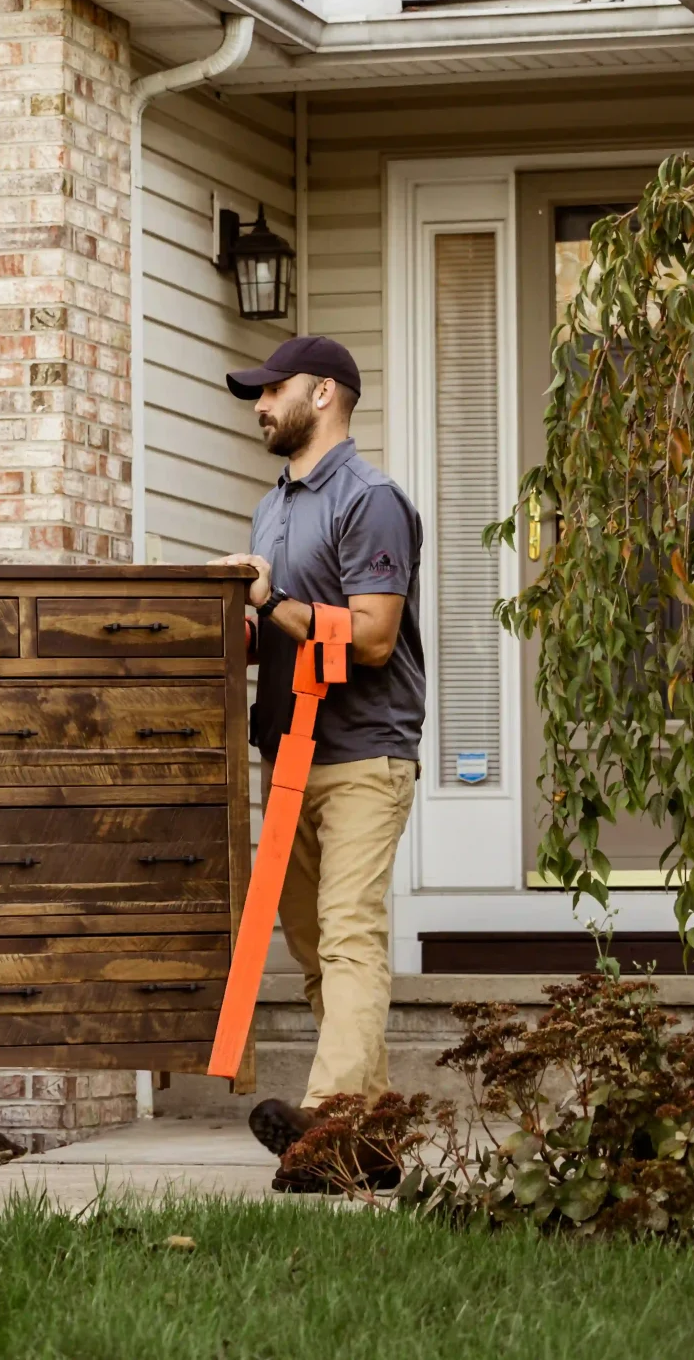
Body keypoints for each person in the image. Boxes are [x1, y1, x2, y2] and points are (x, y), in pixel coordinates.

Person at [213, 335, 426, 1189]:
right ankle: (369, 1143)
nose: (260, 406)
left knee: (347, 935)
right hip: (288, 751)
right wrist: (235, 621)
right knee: (311, 950)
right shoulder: (273, 506)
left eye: (272, 391)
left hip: (364, 752)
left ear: (325, 393)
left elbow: (372, 638)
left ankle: (329, 1122)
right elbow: (282, 625)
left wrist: (272, 600)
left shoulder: (371, 501)